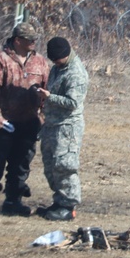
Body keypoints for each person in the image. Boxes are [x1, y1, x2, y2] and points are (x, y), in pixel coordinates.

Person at [0, 22, 50, 216]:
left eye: (35, 39)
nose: (34, 42)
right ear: (18, 40)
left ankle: (13, 201)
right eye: (30, 40)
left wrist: (42, 115)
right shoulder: (1, 60)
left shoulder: (40, 62)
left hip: (30, 121)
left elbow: (47, 89)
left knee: (21, 163)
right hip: (6, 122)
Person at [36, 37, 89, 222]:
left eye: (57, 59)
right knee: (51, 165)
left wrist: (49, 97)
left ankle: (68, 206)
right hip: (52, 124)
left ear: (65, 55)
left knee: (65, 165)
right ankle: (59, 201)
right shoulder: (57, 68)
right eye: (53, 60)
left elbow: (73, 103)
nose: (54, 63)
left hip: (68, 127)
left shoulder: (75, 73)